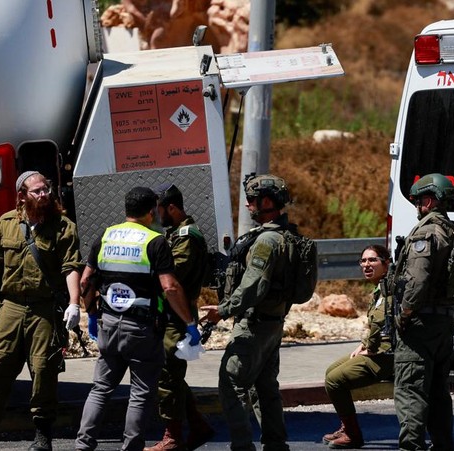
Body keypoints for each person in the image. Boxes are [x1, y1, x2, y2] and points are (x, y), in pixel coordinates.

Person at [0, 171, 82, 451]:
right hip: (11, 306)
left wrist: (74, 302)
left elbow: (70, 267)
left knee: (44, 370)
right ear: (22, 196)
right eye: (37, 191)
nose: (45, 195)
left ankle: (43, 436)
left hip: (44, 307)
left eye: (46, 189)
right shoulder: (7, 223)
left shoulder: (63, 226)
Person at [75, 187, 197, 451]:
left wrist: (92, 315)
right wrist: (188, 322)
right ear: (151, 210)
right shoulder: (155, 241)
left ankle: (83, 445)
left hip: (108, 324)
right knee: (140, 394)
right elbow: (170, 287)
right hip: (141, 329)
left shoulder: (105, 236)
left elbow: (85, 280)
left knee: (100, 388)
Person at [201, 173, 298, 451]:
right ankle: (276, 445)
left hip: (254, 325)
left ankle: (242, 446)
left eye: (251, 200)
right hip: (273, 322)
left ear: (267, 201)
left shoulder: (267, 241)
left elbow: (254, 285)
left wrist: (223, 310)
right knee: (265, 388)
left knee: (231, 382)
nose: (247, 206)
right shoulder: (287, 234)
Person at [145, 183, 214, 451]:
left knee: (167, 375)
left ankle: (172, 437)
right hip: (170, 312)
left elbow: (174, 275)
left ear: (171, 208)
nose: (156, 215)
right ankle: (198, 426)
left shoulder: (186, 236)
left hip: (178, 313)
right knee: (172, 374)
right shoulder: (175, 233)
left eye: (160, 209)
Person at [393, 173, 454, 451]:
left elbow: (417, 280)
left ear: (429, 200)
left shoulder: (425, 233)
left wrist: (405, 312)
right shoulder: (452, 231)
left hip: (422, 323)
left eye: (418, 201)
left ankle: (411, 448)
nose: (416, 206)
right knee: (438, 392)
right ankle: (442, 445)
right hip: (443, 321)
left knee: (411, 389)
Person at [322, 245, 394, 449]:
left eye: (372, 260)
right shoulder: (380, 289)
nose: (366, 265)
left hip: (386, 355)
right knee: (330, 371)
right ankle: (346, 427)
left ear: (386, 263)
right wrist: (363, 345)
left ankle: (353, 435)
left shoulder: (391, 288)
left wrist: (369, 346)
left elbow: (381, 322)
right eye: (363, 261)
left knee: (335, 380)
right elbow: (377, 323)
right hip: (376, 348)